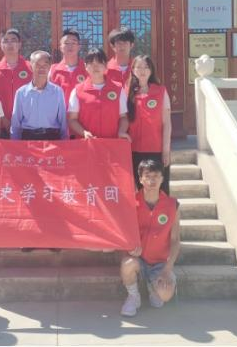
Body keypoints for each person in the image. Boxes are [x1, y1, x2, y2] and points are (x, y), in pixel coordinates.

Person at [120, 159, 180, 317]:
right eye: (147, 176)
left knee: (164, 296)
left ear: (162, 179)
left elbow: (175, 240)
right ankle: (134, 297)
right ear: (140, 179)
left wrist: (167, 269)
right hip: (138, 259)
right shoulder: (131, 202)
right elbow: (124, 233)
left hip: (159, 263)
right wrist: (130, 248)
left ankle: (153, 287)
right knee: (127, 265)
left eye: (156, 176)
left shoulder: (173, 205)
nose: (152, 181)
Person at [126, 55, 172, 190]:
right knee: (138, 190)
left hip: (156, 149)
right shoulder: (126, 92)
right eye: (139, 67)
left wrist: (165, 150)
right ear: (133, 69)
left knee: (159, 190)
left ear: (151, 70)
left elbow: (167, 123)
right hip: (133, 150)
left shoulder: (161, 91)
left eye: (146, 67)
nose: (142, 70)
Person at [68, 48, 129, 140]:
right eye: (91, 63)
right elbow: (72, 119)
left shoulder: (118, 89)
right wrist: (83, 132)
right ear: (85, 66)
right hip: (87, 144)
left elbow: (123, 117)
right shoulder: (77, 91)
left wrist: (121, 131)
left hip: (112, 143)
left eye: (99, 63)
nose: (95, 67)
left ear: (105, 66)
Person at [11, 50, 68, 141]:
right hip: (28, 139)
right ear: (31, 66)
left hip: (52, 139)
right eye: (37, 65)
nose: (42, 68)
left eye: (45, 65)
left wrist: (65, 141)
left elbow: (63, 120)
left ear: (49, 67)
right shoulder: (21, 93)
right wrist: (14, 143)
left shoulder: (57, 92)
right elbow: (16, 122)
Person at [0, 28, 33, 137]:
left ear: (19, 44)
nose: (9, 44)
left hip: (27, 125)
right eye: (5, 41)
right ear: (1, 45)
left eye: (13, 40)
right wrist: (3, 119)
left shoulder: (31, 68)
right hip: (2, 125)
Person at [49, 28, 89, 105]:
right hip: (60, 112)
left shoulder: (87, 69)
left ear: (79, 47)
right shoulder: (52, 70)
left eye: (73, 43)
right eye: (66, 43)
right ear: (61, 47)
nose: (70, 46)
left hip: (83, 112)